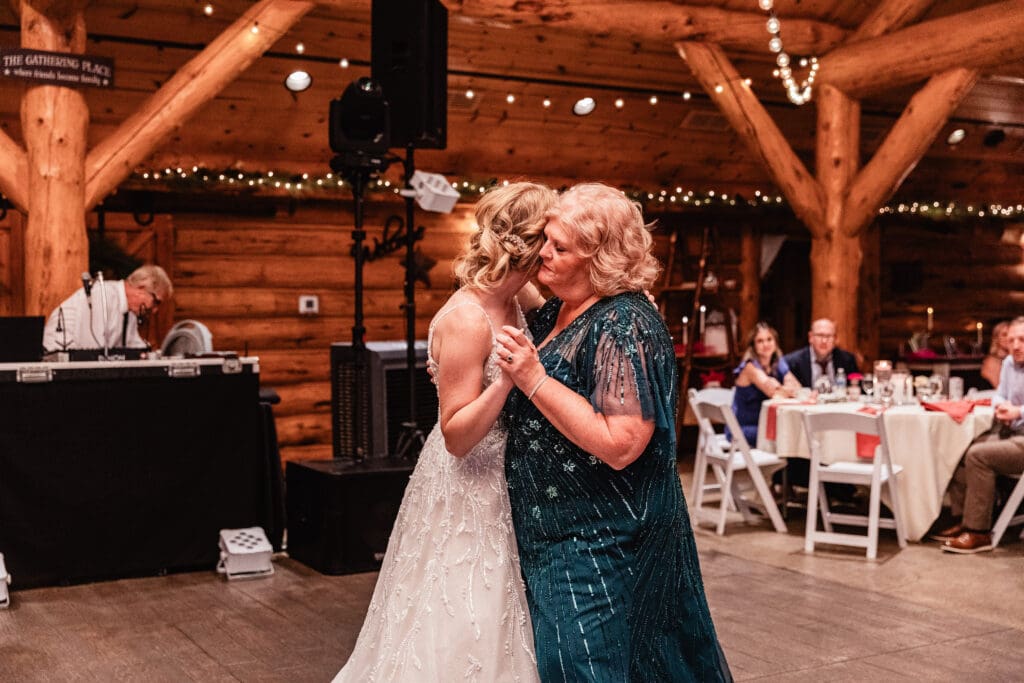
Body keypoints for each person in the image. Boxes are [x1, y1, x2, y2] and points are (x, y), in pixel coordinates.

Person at [497, 183, 732, 682]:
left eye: (561, 248)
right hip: (560, 532)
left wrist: (533, 379)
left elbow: (623, 443)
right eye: (547, 241)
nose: (545, 253)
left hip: (604, 539)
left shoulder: (623, 323)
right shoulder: (557, 308)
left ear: (599, 260)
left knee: (589, 665)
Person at [334, 182, 555, 682]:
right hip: (469, 481)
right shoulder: (466, 320)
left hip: (506, 471)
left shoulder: (520, 292)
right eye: (552, 239)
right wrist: (510, 381)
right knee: (462, 605)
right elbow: (455, 436)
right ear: (528, 245)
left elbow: (557, 325)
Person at [932, 316, 1024, 554]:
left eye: (1022, 340)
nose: (1015, 345)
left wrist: (1018, 411)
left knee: (979, 455)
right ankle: (962, 519)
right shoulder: (1008, 364)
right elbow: (999, 395)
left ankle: (978, 532)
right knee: (961, 448)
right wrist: (1001, 406)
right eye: (1012, 340)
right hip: (1011, 432)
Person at [42, 264, 172, 352]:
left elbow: (133, 346)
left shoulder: (129, 310)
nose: (155, 310)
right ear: (141, 288)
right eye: (156, 302)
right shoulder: (102, 295)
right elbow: (92, 348)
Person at [729, 321, 801, 444]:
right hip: (742, 428)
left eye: (769, 339)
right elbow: (773, 393)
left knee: (794, 432)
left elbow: (797, 388)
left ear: (775, 342)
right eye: (760, 341)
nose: (765, 344)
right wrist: (780, 388)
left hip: (763, 425)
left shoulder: (777, 362)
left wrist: (780, 386)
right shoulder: (750, 367)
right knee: (790, 434)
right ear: (753, 346)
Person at [782, 318, 860, 389]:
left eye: (828, 336)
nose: (824, 341)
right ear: (810, 337)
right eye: (820, 335)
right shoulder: (793, 362)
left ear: (835, 339)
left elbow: (857, 388)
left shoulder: (847, 360)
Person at [980, 320, 1010, 389]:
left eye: (1010, 335)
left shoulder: (1015, 359)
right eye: (1004, 335)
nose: (1008, 338)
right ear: (996, 338)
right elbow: (998, 389)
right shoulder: (991, 362)